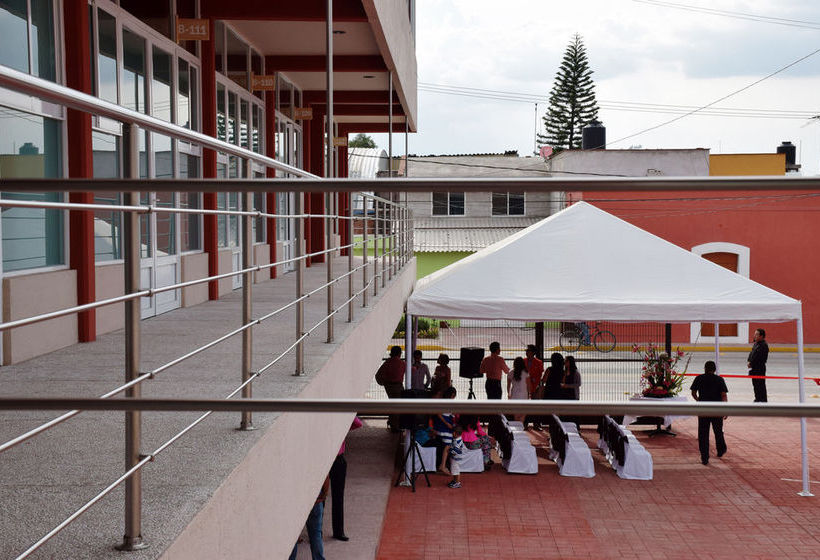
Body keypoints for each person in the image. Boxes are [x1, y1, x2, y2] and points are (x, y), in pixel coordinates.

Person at [329, 416, 362, 542]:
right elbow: (358, 424)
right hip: (327, 460)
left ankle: (338, 531)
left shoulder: (342, 415)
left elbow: (358, 423)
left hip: (338, 459)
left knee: (338, 497)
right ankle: (322, 533)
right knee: (322, 498)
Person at [690, 360, 728, 465]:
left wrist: (698, 400)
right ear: (715, 369)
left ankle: (705, 457)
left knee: (703, 433)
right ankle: (721, 450)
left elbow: (693, 392)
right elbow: (723, 395)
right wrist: (726, 408)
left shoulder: (699, 378)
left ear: (705, 369)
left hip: (703, 409)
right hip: (717, 409)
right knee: (718, 431)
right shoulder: (719, 379)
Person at [289, 476, 330, 560]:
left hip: (296, 499)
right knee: (316, 534)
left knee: (293, 536)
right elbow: (325, 476)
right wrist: (323, 494)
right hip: (315, 498)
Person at [376, 345, 406, 432]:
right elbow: (413, 370)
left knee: (393, 404)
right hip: (398, 386)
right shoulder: (401, 363)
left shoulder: (387, 362)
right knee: (398, 406)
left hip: (388, 386)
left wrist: (383, 382)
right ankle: (395, 426)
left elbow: (378, 375)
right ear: (400, 353)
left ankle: (392, 422)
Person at [432, 386, 457, 473]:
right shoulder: (449, 403)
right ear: (452, 395)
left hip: (441, 426)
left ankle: (442, 464)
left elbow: (439, 413)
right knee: (448, 446)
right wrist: (447, 424)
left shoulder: (442, 402)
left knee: (446, 446)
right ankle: (442, 465)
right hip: (446, 428)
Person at [524, 345, 545, 430]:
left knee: (536, 406)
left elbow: (539, 375)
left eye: (528, 351)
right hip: (525, 387)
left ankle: (536, 424)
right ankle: (525, 423)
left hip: (535, 386)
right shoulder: (523, 361)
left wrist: (534, 384)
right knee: (525, 406)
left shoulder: (539, 362)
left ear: (533, 353)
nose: (526, 352)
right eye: (526, 351)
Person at [748, 328, 769, 403]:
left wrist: (751, 363)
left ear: (761, 336)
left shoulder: (763, 345)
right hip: (754, 368)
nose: (755, 336)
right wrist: (749, 361)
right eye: (755, 334)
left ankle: (763, 399)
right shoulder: (756, 344)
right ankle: (757, 398)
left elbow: (758, 357)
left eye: (757, 334)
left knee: (760, 384)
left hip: (759, 368)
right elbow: (752, 353)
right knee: (755, 384)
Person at [507, 356, 529, 422]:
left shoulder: (511, 372)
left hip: (514, 395)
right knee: (523, 413)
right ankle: (521, 425)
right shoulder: (526, 373)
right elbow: (529, 385)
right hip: (524, 394)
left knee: (516, 415)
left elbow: (508, 385)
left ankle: (517, 428)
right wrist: (530, 394)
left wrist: (509, 394)